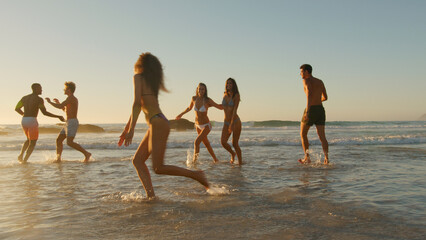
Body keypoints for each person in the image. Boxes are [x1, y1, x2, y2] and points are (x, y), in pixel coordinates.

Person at [119, 53, 209, 199]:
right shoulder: (151, 82)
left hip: (157, 122)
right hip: (159, 122)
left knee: (158, 168)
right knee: (137, 161)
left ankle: (196, 175)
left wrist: (131, 130)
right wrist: (126, 128)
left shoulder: (138, 78)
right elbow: (140, 105)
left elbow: (136, 103)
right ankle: (151, 197)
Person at [15, 83, 65, 163]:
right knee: (33, 142)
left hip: (24, 120)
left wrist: (24, 114)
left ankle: (21, 155)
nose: (41, 90)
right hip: (32, 121)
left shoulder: (24, 98)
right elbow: (44, 112)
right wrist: (58, 116)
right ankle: (24, 160)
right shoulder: (39, 100)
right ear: (35, 89)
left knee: (28, 139)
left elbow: (17, 108)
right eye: (40, 88)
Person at [176, 83, 223, 163]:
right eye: (199, 89)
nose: (201, 91)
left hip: (206, 125)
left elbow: (219, 107)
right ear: (197, 89)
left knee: (196, 142)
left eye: (203, 89)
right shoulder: (194, 98)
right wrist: (181, 114)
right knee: (206, 143)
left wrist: (229, 104)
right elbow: (189, 108)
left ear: (205, 91)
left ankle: (194, 161)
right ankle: (215, 159)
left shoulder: (208, 100)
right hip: (197, 125)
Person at [46, 82, 91, 162]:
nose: (64, 90)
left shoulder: (72, 98)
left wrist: (50, 102)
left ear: (69, 90)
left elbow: (60, 107)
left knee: (69, 142)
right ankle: (58, 158)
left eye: (65, 89)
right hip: (68, 123)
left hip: (72, 122)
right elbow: (64, 109)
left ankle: (86, 154)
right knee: (59, 140)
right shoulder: (69, 99)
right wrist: (58, 103)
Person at [298, 64, 329, 165]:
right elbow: (325, 97)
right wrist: (317, 101)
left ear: (307, 72)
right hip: (320, 110)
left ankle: (307, 158)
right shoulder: (320, 82)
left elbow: (309, 95)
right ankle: (326, 158)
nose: (300, 74)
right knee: (322, 136)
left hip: (310, 109)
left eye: (302, 71)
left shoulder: (306, 81)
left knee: (303, 134)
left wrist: (308, 110)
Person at [221, 78, 242, 165]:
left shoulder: (236, 95)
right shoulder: (224, 94)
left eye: (230, 83)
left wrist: (232, 123)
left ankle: (240, 163)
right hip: (226, 122)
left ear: (233, 85)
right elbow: (222, 106)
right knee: (223, 142)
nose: (228, 85)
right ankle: (233, 154)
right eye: (227, 83)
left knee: (235, 143)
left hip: (235, 122)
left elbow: (234, 111)